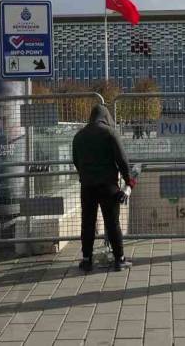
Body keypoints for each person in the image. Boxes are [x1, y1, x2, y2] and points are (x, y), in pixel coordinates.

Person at [72, 105, 134, 272]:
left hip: (87, 187)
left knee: (87, 223)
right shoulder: (110, 133)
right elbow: (122, 160)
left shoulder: (79, 136)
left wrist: (85, 175)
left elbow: (76, 160)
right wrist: (129, 182)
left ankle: (86, 260)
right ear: (106, 117)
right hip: (108, 186)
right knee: (112, 223)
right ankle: (119, 259)